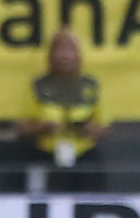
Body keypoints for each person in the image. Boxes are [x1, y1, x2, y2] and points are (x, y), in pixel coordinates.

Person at [17, 28, 107, 185]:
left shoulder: (90, 86)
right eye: (60, 50)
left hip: (83, 154)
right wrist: (44, 127)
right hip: (46, 154)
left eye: (70, 50)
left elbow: (104, 126)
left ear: (78, 54)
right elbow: (23, 127)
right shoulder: (38, 86)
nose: (65, 56)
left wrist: (88, 129)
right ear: (50, 55)